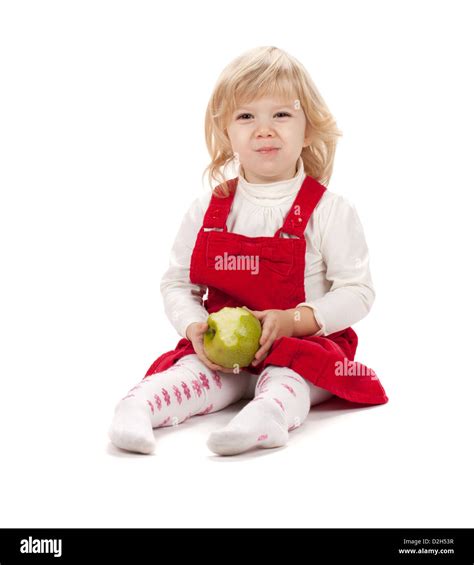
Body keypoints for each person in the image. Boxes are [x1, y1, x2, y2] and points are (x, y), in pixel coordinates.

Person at [108, 45, 389, 456]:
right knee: (186, 374)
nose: (264, 129)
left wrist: (294, 321)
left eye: (281, 114)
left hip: (302, 347)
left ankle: (265, 420)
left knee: (287, 381)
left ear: (308, 127)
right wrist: (194, 329)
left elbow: (357, 291)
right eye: (246, 116)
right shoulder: (208, 207)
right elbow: (176, 284)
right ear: (226, 132)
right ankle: (138, 408)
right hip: (224, 352)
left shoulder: (329, 210)